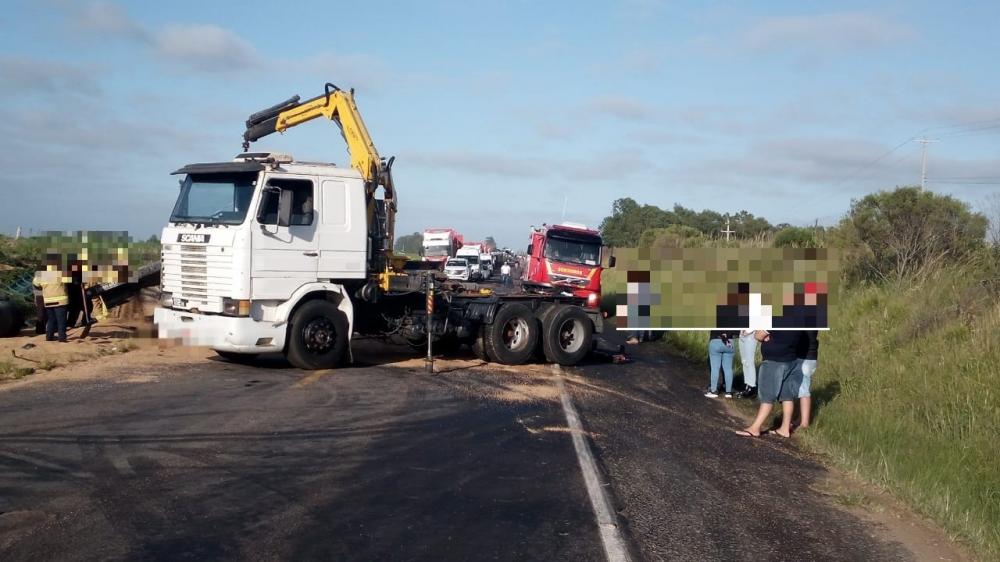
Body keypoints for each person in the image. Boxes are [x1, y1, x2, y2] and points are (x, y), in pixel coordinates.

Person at [735, 330, 805, 438]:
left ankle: (755, 428)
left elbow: (759, 335)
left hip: (774, 360)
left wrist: (761, 333)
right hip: (791, 359)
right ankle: (785, 428)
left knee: (767, 395)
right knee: (787, 396)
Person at [32, 255, 69, 342]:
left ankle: (49, 336)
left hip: (48, 301)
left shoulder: (41, 275)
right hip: (61, 301)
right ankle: (62, 337)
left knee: (51, 319)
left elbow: (36, 284)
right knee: (61, 320)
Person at [792, 331, 819, 429]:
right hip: (808, 356)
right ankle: (800, 419)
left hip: (806, 357)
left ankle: (804, 423)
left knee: (804, 390)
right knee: (802, 390)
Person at [706, 329, 738, 398]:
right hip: (729, 342)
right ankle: (728, 392)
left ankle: (713, 391)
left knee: (715, 368)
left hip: (716, 341)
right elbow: (737, 332)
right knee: (728, 368)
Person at [737, 329, 758, 398]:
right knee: (744, 361)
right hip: (742, 334)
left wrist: (749, 331)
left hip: (751, 334)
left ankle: (751, 387)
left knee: (749, 361)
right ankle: (746, 386)